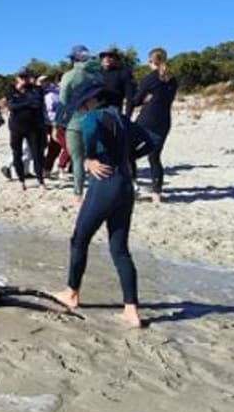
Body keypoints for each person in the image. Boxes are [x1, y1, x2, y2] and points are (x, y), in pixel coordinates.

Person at [53, 84, 142, 329]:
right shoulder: (122, 118)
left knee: (79, 239)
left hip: (104, 186)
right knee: (120, 249)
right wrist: (130, 158)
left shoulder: (93, 117)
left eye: (83, 103)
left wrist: (90, 158)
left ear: (91, 101)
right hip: (126, 186)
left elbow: (89, 134)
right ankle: (131, 310)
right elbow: (151, 140)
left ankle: (72, 293)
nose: (81, 107)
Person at [59, 45, 104, 205]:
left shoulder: (70, 75)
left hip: (75, 121)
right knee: (95, 156)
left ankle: (78, 195)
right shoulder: (97, 75)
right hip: (96, 119)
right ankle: (95, 192)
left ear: (73, 59)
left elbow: (63, 99)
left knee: (78, 159)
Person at [132, 47, 178, 203]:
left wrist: (145, 99)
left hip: (147, 119)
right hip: (164, 121)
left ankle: (132, 185)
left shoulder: (150, 79)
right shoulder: (172, 79)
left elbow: (135, 101)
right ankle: (157, 192)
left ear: (151, 61)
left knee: (128, 151)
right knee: (155, 157)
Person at [4, 71, 46, 190]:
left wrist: (20, 102)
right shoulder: (11, 90)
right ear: (17, 78)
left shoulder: (36, 89)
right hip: (16, 127)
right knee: (17, 154)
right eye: (22, 77)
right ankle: (21, 180)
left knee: (37, 154)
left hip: (33, 127)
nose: (25, 79)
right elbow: (11, 106)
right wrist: (27, 102)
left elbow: (38, 103)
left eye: (26, 77)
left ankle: (41, 181)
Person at [40, 75, 64, 175]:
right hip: (44, 122)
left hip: (55, 122)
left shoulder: (57, 92)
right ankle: (44, 167)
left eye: (46, 80)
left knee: (55, 145)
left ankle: (46, 168)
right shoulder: (42, 92)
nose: (44, 83)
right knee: (42, 145)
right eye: (42, 81)